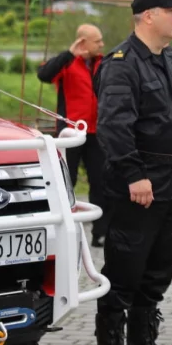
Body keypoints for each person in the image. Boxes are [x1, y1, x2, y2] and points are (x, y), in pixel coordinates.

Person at [92, 0, 172, 345]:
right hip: (139, 185)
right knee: (125, 269)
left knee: (158, 270)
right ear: (149, 15)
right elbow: (114, 126)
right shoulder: (122, 62)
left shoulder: (167, 61)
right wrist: (135, 174)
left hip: (169, 183)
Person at [36, 24, 108, 246]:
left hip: (97, 132)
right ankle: (62, 229)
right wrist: (69, 54)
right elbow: (44, 74)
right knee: (68, 180)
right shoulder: (66, 63)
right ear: (83, 42)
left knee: (100, 181)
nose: (102, 44)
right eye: (97, 41)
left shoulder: (104, 63)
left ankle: (100, 233)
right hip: (71, 133)